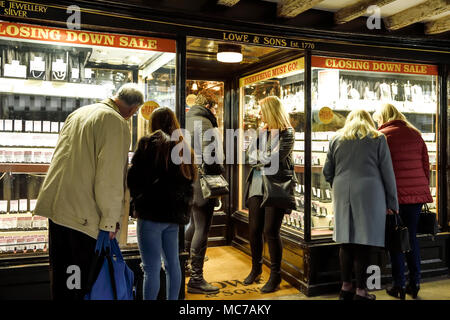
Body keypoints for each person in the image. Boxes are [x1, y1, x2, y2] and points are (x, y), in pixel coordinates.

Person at [34, 83, 144, 300]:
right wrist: (109, 222)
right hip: (83, 219)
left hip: (58, 213)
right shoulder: (115, 122)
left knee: (64, 276)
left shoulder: (79, 114)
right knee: (80, 283)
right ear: (133, 111)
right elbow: (110, 178)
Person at [323, 109, 398, 300]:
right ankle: (361, 291)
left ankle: (345, 287)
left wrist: (338, 185)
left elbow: (327, 171)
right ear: (368, 121)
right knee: (364, 242)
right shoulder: (378, 138)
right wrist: (392, 202)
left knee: (345, 241)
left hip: (342, 192)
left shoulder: (336, 138)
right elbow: (387, 173)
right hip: (370, 193)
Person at [127, 107, 196, 300]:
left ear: (153, 123)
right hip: (172, 218)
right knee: (173, 264)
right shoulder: (183, 147)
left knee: (151, 269)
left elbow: (133, 179)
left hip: (150, 216)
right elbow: (190, 182)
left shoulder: (149, 144)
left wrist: (138, 198)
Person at [373, 103, 433, 299]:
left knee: (396, 239)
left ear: (382, 118)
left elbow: (378, 168)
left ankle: (398, 285)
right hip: (415, 196)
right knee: (412, 239)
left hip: (394, 196)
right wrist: (422, 188)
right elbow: (426, 165)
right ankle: (415, 282)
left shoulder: (382, 136)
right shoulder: (415, 134)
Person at [243, 96, 295, 293]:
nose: (259, 114)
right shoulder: (261, 131)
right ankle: (256, 269)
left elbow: (275, 158)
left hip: (276, 186)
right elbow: (248, 155)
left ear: (272, 111)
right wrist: (259, 157)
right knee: (254, 229)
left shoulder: (287, 133)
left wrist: (259, 158)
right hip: (257, 184)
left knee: (271, 231)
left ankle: (275, 275)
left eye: (262, 110)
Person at [185, 92, 224, 294]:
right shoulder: (206, 124)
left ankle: (185, 263)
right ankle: (196, 278)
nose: (216, 111)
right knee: (202, 227)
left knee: (193, 223)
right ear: (209, 106)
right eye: (215, 107)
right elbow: (212, 157)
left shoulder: (184, 120)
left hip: (186, 181)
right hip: (202, 183)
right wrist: (220, 175)